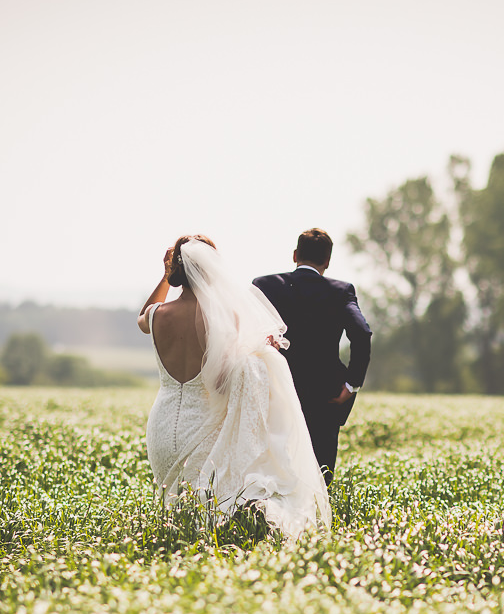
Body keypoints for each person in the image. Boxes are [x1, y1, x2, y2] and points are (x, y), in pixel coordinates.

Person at [137, 235, 329, 541]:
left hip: (162, 423)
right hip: (202, 425)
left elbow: (142, 318)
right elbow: (222, 381)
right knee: (203, 515)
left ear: (177, 270)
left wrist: (165, 277)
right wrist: (257, 355)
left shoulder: (157, 315)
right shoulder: (225, 318)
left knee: (174, 511)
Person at [253, 228, 371, 484]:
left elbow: (245, 334)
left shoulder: (263, 286)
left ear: (295, 255)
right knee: (320, 470)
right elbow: (362, 334)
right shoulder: (341, 291)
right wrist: (352, 385)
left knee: (273, 466)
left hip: (275, 390)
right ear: (327, 261)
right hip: (324, 395)